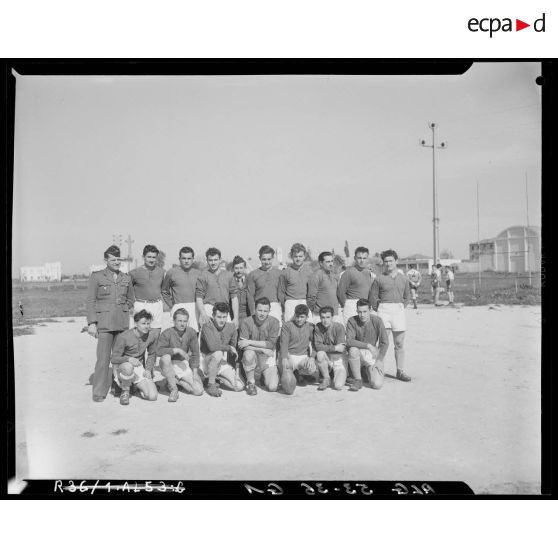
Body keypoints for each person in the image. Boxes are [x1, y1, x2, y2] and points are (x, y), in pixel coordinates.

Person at [86, 245, 134, 402]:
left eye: (118, 259)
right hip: (104, 324)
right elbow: (91, 301)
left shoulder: (125, 278)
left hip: (121, 324)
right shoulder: (97, 277)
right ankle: (99, 391)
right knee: (103, 359)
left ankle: (120, 387)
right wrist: (92, 323)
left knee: (120, 357)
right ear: (105, 260)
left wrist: (126, 310)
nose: (116, 262)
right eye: (112, 259)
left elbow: (131, 299)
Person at [369, 249, 411, 382]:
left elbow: (407, 297)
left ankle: (400, 371)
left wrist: (399, 307)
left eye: (391, 261)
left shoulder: (404, 279)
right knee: (383, 342)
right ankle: (378, 369)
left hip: (398, 309)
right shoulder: (379, 279)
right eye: (386, 261)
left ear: (396, 261)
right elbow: (373, 297)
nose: (388, 264)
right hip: (384, 310)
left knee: (399, 343)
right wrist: (380, 308)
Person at [110, 309, 159, 405]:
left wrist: (148, 369)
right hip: (124, 367)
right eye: (143, 323)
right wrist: (128, 359)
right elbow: (113, 358)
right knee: (128, 367)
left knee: (152, 396)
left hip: (138, 367)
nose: (146, 326)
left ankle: (135, 385)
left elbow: (152, 354)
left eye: (148, 323)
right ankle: (125, 391)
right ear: (136, 324)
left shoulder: (152, 335)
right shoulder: (123, 336)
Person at [157, 307, 203, 402]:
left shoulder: (191, 332)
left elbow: (195, 353)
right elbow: (158, 351)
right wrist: (177, 350)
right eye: (179, 321)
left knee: (198, 390)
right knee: (166, 357)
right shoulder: (166, 333)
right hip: (168, 364)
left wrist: (194, 373)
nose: (182, 323)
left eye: (185, 321)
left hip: (182, 364)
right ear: (174, 321)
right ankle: (174, 389)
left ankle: (175, 381)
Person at [199, 302, 244, 397]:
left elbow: (234, 350)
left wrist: (234, 335)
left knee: (239, 386)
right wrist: (229, 348)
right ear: (213, 316)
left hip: (219, 362)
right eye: (219, 317)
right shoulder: (207, 326)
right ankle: (211, 385)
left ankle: (215, 378)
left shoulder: (231, 327)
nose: (222, 320)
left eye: (224, 317)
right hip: (205, 361)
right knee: (218, 353)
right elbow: (212, 347)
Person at [238, 297, 281, 395]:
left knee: (273, 387)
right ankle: (251, 383)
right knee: (248, 354)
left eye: (265, 311)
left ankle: (265, 375)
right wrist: (263, 349)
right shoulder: (246, 321)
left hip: (266, 356)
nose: (262, 313)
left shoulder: (274, 322)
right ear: (255, 310)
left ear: (269, 311)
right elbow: (242, 345)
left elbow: (270, 344)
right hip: (254, 354)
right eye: (260, 310)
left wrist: (249, 341)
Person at [346, 299, 389, 391]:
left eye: (365, 311)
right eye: (359, 312)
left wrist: (379, 360)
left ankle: (365, 370)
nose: (362, 315)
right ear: (357, 311)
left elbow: (385, 342)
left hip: (372, 354)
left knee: (377, 384)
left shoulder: (377, 320)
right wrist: (368, 345)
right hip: (358, 353)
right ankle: (358, 379)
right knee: (352, 350)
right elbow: (349, 341)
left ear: (370, 310)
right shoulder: (352, 321)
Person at [195, 247, 239, 329]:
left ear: (220, 259)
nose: (213, 263)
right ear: (207, 261)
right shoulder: (202, 276)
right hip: (209, 309)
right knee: (208, 338)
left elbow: (234, 298)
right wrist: (203, 314)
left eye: (215, 260)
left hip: (224, 309)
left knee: (226, 337)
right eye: (210, 260)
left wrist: (236, 318)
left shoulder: (229, 275)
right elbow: (199, 297)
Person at [279, 304, 317, 395]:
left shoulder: (311, 327)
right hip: (289, 356)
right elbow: (284, 343)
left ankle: (300, 373)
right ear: (294, 315)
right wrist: (284, 357)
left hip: (303, 357)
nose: (299, 319)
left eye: (302, 317)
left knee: (312, 369)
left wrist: (312, 358)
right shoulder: (287, 326)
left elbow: (315, 344)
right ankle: (293, 374)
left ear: (307, 317)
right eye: (297, 316)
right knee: (288, 388)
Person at [161, 247, 202, 332]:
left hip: (194, 307)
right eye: (184, 258)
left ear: (193, 259)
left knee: (194, 333)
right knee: (177, 334)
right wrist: (172, 305)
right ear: (179, 259)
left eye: (189, 258)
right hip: (178, 306)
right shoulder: (171, 272)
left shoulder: (199, 273)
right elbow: (164, 290)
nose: (186, 261)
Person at [129, 244, 165, 337]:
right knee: (140, 338)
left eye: (154, 257)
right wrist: (130, 305)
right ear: (143, 257)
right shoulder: (134, 273)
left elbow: (164, 290)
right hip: (141, 305)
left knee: (155, 336)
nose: (151, 260)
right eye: (149, 257)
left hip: (157, 306)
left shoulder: (161, 272)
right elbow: (127, 290)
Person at [337, 246, 375, 325]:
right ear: (355, 258)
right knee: (351, 331)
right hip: (351, 305)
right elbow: (341, 292)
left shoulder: (368, 273)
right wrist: (346, 305)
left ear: (367, 259)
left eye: (364, 258)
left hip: (364, 305)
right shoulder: (348, 273)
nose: (362, 260)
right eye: (359, 258)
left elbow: (369, 291)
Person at [313, 306, 347, 390]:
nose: (325, 320)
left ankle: (339, 373)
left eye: (328, 317)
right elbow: (318, 346)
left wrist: (325, 348)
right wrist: (335, 347)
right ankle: (327, 378)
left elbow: (341, 349)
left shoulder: (339, 327)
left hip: (338, 359)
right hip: (328, 357)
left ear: (332, 317)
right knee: (320, 354)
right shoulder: (318, 327)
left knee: (338, 386)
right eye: (323, 317)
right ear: (320, 318)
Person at [279, 243, 314, 322]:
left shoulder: (310, 271)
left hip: (305, 301)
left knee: (309, 326)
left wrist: (311, 304)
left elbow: (312, 290)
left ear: (304, 256)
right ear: (291, 256)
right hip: (290, 302)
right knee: (290, 326)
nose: (298, 259)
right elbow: (281, 292)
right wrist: (284, 307)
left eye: (300, 256)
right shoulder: (285, 272)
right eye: (295, 256)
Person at [246, 245, 282, 323]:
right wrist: (253, 312)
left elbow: (282, 294)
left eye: (269, 259)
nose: (267, 262)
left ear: (273, 258)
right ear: (260, 258)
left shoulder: (280, 273)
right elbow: (250, 296)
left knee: (276, 332)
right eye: (264, 259)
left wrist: (283, 310)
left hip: (275, 307)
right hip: (259, 307)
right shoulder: (253, 275)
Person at [307, 251, 342, 324]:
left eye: (332, 261)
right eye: (328, 262)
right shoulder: (315, 276)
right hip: (320, 315)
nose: (331, 264)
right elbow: (311, 297)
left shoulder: (334, 276)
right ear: (321, 263)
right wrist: (316, 310)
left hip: (335, 313)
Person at [231, 255, 250, 322]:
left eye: (241, 268)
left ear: (244, 268)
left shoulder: (250, 280)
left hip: (247, 314)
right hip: (232, 314)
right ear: (233, 268)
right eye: (236, 268)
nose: (239, 271)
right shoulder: (229, 280)